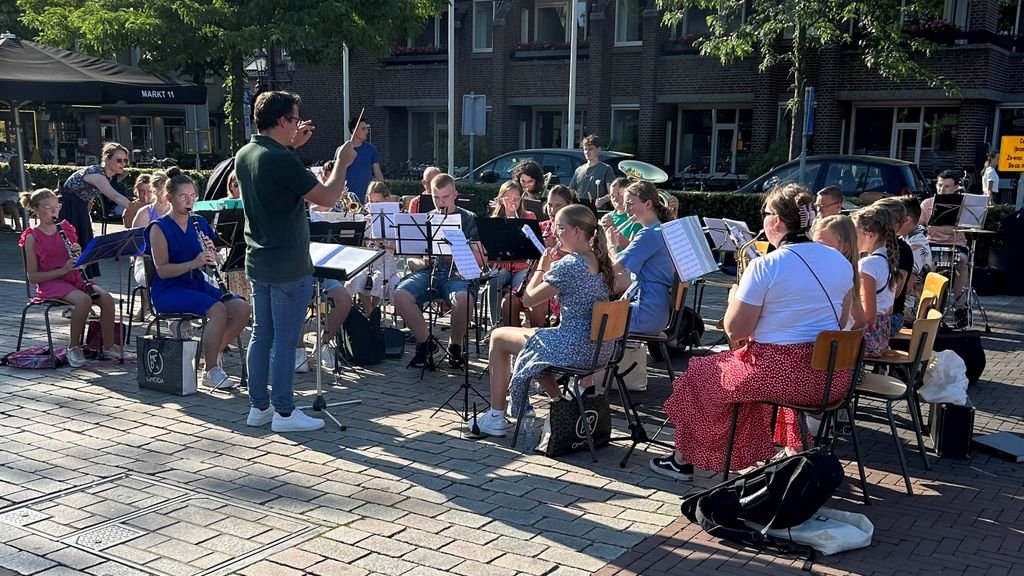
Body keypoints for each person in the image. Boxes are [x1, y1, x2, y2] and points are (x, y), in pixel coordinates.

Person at [652, 184, 854, 480]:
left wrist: (734, 298)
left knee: (698, 374)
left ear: (777, 221)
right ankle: (793, 452)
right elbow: (843, 319)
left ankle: (683, 460)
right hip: (831, 379)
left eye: (765, 213)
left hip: (783, 377)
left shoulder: (766, 265)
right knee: (741, 374)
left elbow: (736, 330)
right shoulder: (839, 260)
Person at [235, 90, 357, 433]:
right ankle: (285, 413)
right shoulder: (280, 159)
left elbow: (277, 179)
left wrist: (291, 147)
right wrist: (342, 162)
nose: (297, 125)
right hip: (288, 263)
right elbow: (328, 197)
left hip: (259, 259)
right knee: (286, 341)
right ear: (281, 121)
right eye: (294, 119)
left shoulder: (245, 153)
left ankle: (259, 407)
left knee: (262, 335)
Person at [469, 204, 616, 436]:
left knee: (498, 337)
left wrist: (541, 267)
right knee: (535, 345)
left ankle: (496, 416)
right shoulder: (602, 260)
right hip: (600, 348)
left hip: (574, 347)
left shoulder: (571, 264)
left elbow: (528, 299)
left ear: (577, 231)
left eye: (560, 228)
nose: (556, 233)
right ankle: (561, 403)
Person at [146, 169, 252, 389]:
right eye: (183, 196)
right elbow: (162, 270)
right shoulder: (159, 228)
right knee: (218, 310)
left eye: (193, 196)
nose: (190, 201)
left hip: (196, 284)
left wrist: (213, 254)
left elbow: (213, 254)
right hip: (169, 289)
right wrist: (194, 263)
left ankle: (207, 355)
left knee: (242, 309)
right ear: (169, 198)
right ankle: (210, 370)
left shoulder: (199, 222)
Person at [19, 188, 119, 368]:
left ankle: (109, 346)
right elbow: (33, 277)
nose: (54, 211)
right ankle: (73, 348)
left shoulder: (66, 228)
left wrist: (80, 257)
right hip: (50, 282)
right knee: (83, 300)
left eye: (56, 206)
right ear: (36, 209)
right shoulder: (32, 237)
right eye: (48, 207)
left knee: (106, 298)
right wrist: (64, 269)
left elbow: (79, 261)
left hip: (73, 277)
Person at [394, 173, 481, 368]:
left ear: (455, 195)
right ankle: (427, 343)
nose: (441, 203)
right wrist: (421, 262)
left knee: (463, 299)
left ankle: (455, 346)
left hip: (457, 274)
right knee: (400, 295)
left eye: (445, 197)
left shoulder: (469, 219)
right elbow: (411, 260)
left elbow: (480, 259)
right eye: (436, 198)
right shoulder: (425, 219)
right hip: (429, 272)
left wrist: (458, 254)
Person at [58, 143, 133, 277]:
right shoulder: (98, 175)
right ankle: (75, 276)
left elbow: (89, 191)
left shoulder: (106, 175)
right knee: (74, 242)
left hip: (79, 207)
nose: (123, 164)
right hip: (70, 208)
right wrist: (139, 209)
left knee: (82, 242)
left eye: (125, 160)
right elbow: (115, 196)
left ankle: (83, 278)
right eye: (119, 160)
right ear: (107, 159)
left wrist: (89, 202)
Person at [611, 181, 675, 335]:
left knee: (592, 319)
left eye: (630, 204)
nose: (626, 209)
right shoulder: (662, 229)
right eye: (625, 205)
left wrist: (610, 245)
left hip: (645, 310)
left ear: (648, 204)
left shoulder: (650, 233)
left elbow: (616, 267)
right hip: (655, 310)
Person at [920, 169, 969, 325]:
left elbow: (971, 226)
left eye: (947, 186)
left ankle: (960, 309)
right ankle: (927, 307)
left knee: (963, 261)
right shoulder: (927, 204)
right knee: (924, 263)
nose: (942, 189)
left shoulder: (964, 205)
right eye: (940, 185)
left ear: (956, 188)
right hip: (932, 245)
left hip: (956, 245)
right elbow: (919, 226)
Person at [486, 181, 538, 327]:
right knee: (494, 279)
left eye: (516, 198)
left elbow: (534, 245)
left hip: (522, 266)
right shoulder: (495, 221)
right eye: (508, 198)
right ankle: (495, 324)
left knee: (521, 285)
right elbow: (489, 251)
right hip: (502, 266)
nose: (513, 201)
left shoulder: (529, 216)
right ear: (501, 200)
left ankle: (524, 322)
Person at [852, 204, 900, 357]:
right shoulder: (888, 258)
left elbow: (868, 317)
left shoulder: (867, 265)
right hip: (882, 333)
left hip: (869, 338)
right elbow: (889, 308)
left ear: (870, 236)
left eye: (855, 234)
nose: (852, 239)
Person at [345, 181, 399, 313]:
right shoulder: (365, 220)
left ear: (386, 200)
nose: (373, 206)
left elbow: (399, 247)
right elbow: (359, 246)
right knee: (356, 279)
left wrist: (384, 242)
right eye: (371, 202)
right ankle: (371, 313)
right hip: (367, 261)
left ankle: (372, 312)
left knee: (379, 279)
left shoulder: (394, 219)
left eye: (377, 203)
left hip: (386, 261)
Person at [527, 185, 574, 328]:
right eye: (550, 205)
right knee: (509, 302)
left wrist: (558, 249)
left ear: (569, 206)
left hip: (560, 281)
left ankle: (540, 338)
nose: (552, 210)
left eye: (558, 205)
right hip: (538, 277)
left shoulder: (573, 230)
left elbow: (578, 258)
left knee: (536, 305)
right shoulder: (541, 226)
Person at [129, 171, 172, 320]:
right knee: (160, 274)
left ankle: (182, 308)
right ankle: (158, 307)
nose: (166, 195)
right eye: (162, 191)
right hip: (146, 261)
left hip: (172, 259)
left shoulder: (176, 212)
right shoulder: (145, 213)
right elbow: (134, 245)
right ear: (154, 191)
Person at [811, 215, 865, 329]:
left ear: (845, 247)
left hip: (832, 337)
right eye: (814, 245)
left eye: (823, 246)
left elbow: (859, 320)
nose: (817, 250)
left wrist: (845, 337)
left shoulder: (841, 275)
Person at [874, 197, 915, 334]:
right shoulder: (869, 246)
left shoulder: (903, 251)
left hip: (891, 316)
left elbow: (895, 293)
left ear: (896, 226)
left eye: (878, 222)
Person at [336, 116, 383, 203]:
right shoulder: (342, 150)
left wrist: (382, 191)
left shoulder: (371, 149)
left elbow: (377, 172)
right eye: (363, 129)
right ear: (354, 130)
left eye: (367, 129)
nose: (367, 131)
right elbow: (336, 173)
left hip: (367, 197)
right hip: (347, 198)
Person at [899, 196, 931, 318]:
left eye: (893, 218)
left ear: (907, 220)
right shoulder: (908, 238)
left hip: (909, 307)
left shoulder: (915, 246)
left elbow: (905, 289)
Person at [568, 134, 616, 204]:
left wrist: (602, 200)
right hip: (581, 208)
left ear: (598, 149)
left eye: (590, 149)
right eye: (585, 149)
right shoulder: (578, 170)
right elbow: (571, 193)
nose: (587, 152)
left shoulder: (606, 169)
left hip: (597, 209)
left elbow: (612, 193)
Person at [602, 177, 643, 252]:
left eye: (619, 194)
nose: (615, 199)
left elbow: (632, 250)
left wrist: (613, 228)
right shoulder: (608, 216)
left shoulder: (636, 218)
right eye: (612, 196)